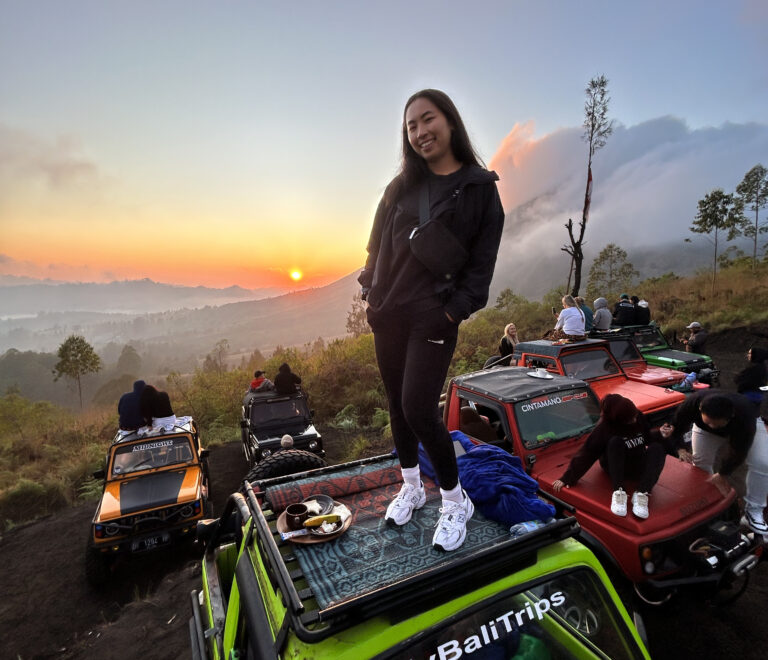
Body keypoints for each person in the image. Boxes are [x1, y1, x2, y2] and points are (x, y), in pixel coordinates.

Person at [358, 89, 504, 551]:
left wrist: (450, 313)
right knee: (397, 405)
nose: (420, 132)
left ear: (450, 121)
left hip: (433, 318)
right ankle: (411, 486)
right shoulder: (400, 187)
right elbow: (374, 245)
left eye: (427, 119)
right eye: (411, 126)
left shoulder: (480, 190)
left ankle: (456, 501)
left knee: (420, 408)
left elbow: (480, 271)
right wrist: (370, 291)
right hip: (388, 313)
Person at [552, 394, 671, 519]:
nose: (635, 420)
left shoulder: (637, 416)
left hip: (637, 464)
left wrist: (659, 434)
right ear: (619, 419)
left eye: (635, 416)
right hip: (616, 466)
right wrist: (567, 478)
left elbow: (646, 438)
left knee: (658, 447)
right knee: (616, 442)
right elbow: (587, 453)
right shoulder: (605, 428)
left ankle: (642, 492)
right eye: (631, 419)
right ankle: (619, 492)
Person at [667, 391, 768, 534]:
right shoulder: (692, 403)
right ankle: (709, 504)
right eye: (708, 422)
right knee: (700, 463)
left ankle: (754, 511)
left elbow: (739, 451)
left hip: (743, 426)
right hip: (703, 431)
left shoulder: (745, 415)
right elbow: (676, 426)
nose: (712, 427)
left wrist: (723, 473)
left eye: (717, 425)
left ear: (730, 416)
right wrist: (680, 448)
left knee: (763, 462)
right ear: (700, 409)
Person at [734, 347, 768, 415]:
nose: (748, 355)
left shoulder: (755, 369)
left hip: (750, 395)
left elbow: (745, 382)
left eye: (750, 353)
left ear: (756, 355)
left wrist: (739, 379)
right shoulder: (761, 367)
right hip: (756, 395)